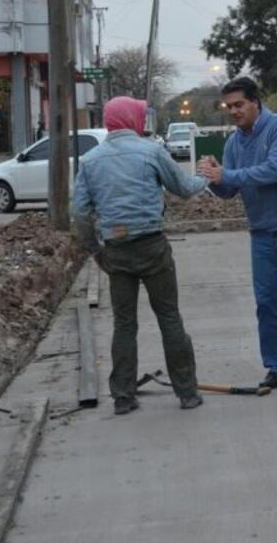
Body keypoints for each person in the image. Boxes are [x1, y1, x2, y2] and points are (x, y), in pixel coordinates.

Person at [72, 96, 208, 415]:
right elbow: (185, 189)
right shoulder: (152, 152)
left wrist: (96, 252)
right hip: (153, 247)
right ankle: (187, 392)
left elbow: (78, 214)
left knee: (124, 325)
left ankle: (123, 396)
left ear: (108, 122)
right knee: (169, 317)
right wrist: (206, 176)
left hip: (116, 250)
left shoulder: (90, 161)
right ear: (134, 120)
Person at [196, 77, 277, 393]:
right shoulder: (233, 144)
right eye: (229, 107)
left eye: (239, 104)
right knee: (267, 302)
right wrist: (215, 178)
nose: (234, 111)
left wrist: (226, 174)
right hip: (262, 233)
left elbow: (273, 171)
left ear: (256, 101)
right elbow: (231, 190)